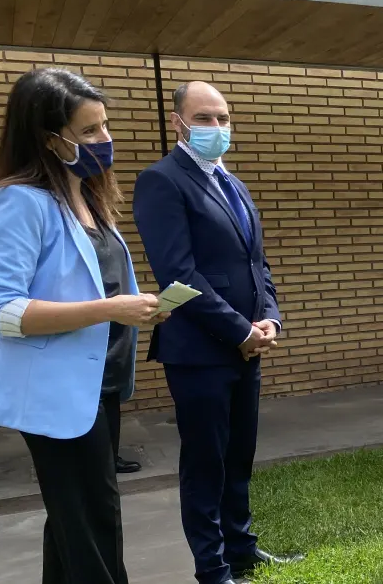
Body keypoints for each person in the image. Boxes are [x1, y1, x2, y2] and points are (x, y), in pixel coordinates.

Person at [0, 68, 167, 584]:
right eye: (89, 130)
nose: (105, 139)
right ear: (48, 138)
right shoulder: (17, 203)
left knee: (73, 520)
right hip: (55, 393)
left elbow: (100, 288)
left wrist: (141, 307)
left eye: (105, 126)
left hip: (101, 384)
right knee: (93, 520)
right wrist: (109, 309)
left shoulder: (89, 198)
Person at [132, 81, 298, 584]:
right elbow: (178, 274)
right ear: (178, 122)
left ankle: (242, 550)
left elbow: (256, 264)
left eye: (223, 118)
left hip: (248, 347)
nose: (217, 127)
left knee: (238, 455)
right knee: (206, 463)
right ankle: (213, 567)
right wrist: (238, 330)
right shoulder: (162, 181)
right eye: (204, 118)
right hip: (199, 351)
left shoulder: (234, 184)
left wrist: (269, 318)